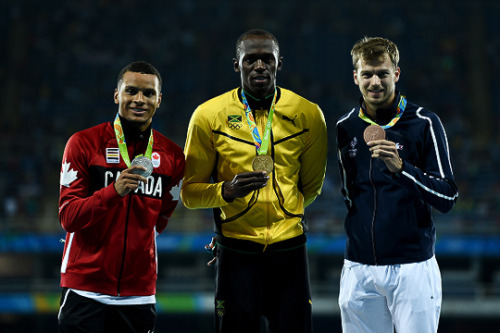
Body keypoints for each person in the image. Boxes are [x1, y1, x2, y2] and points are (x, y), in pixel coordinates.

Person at [181, 29, 327, 333]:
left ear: (279, 63)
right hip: (236, 253)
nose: (259, 66)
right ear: (237, 64)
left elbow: (310, 187)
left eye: (267, 59)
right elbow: (189, 193)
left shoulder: (309, 114)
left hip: (290, 253)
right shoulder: (208, 116)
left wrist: (284, 212)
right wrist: (226, 192)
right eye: (251, 60)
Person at [335, 36, 459, 333]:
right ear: (355, 77)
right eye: (367, 74)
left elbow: (447, 196)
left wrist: (402, 169)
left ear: (396, 74)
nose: (375, 82)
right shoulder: (345, 126)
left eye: (382, 73)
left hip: (412, 267)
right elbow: (349, 193)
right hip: (358, 267)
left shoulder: (424, 123)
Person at [57, 61, 185, 333]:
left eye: (148, 93)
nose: (139, 99)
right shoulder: (83, 144)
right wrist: (113, 191)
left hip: (139, 295)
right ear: (117, 95)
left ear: (159, 100)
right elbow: (68, 217)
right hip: (85, 291)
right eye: (131, 91)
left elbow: (160, 220)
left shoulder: (173, 156)